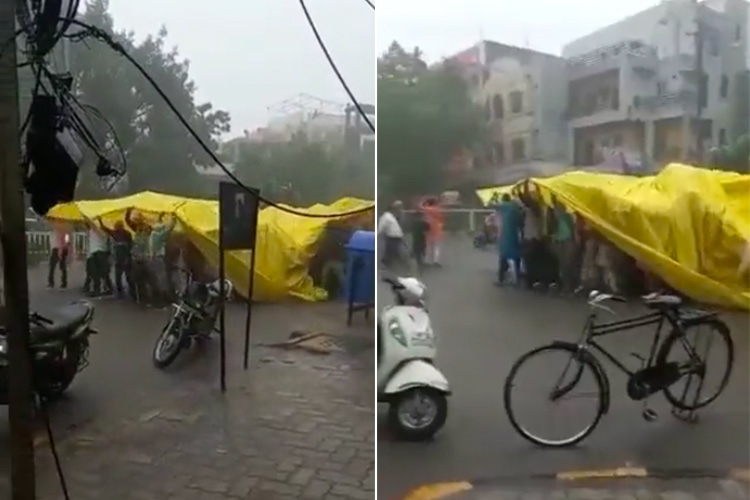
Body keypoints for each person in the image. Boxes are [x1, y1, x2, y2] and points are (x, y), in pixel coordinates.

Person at [98, 217, 134, 299]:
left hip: (123, 258)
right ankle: (126, 292)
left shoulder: (121, 234)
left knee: (124, 277)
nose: (117, 227)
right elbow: (105, 229)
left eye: (118, 226)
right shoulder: (120, 233)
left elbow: (130, 245)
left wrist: (100, 220)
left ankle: (126, 292)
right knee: (122, 277)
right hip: (122, 258)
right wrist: (100, 220)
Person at [491, 193, 523, 285]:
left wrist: (494, 197)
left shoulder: (503, 207)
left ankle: (501, 279)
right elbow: (520, 223)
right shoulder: (516, 208)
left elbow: (493, 205)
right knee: (516, 257)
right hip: (515, 235)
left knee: (503, 257)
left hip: (504, 236)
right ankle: (518, 278)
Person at [125, 208, 154, 305]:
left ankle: (147, 299)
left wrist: (143, 219)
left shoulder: (148, 230)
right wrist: (128, 210)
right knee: (136, 279)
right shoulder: (136, 229)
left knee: (147, 279)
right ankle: (139, 298)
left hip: (144, 258)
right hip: (136, 258)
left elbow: (153, 226)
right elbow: (128, 221)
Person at [148, 213, 178, 306]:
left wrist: (160, 216)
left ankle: (158, 299)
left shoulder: (153, 234)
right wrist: (174, 218)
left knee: (156, 279)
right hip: (159, 258)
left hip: (153, 258)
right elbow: (170, 228)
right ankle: (167, 299)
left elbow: (159, 224)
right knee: (163, 279)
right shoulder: (160, 235)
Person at [551, 197, 577, 293]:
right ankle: (567, 286)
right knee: (565, 266)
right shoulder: (566, 217)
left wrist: (555, 238)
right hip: (566, 242)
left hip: (566, 243)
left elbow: (567, 232)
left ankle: (567, 287)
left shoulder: (563, 218)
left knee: (565, 266)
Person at [84, 219, 112, 296]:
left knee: (102, 272)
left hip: (100, 251)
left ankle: (105, 289)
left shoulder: (101, 230)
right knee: (94, 273)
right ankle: (97, 289)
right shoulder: (91, 230)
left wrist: (92, 222)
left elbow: (103, 236)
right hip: (93, 252)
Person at [378, 201, 405, 269]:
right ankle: (386, 264)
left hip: (397, 237)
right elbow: (381, 227)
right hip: (392, 237)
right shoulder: (386, 217)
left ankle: (392, 265)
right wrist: (378, 235)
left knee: (393, 252)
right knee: (391, 252)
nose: (398, 210)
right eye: (397, 209)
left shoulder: (392, 217)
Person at [48, 221, 71, 289]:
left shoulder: (60, 227)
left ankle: (53, 283)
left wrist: (63, 248)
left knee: (56, 266)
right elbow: (67, 240)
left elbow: (66, 240)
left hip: (59, 248)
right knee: (59, 266)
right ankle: (62, 283)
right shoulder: (63, 226)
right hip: (59, 248)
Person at [421, 197, 444, 267]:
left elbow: (420, 206)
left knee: (428, 246)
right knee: (436, 247)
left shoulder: (426, 209)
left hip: (428, 230)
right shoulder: (437, 210)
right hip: (436, 230)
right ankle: (435, 261)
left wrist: (424, 202)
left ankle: (427, 261)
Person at [410, 209, 430, 274]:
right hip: (422, 239)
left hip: (415, 240)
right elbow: (428, 227)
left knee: (416, 254)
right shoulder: (422, 222)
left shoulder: (413, 222)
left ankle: (417, 266)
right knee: (422, 253)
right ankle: (420, 266)